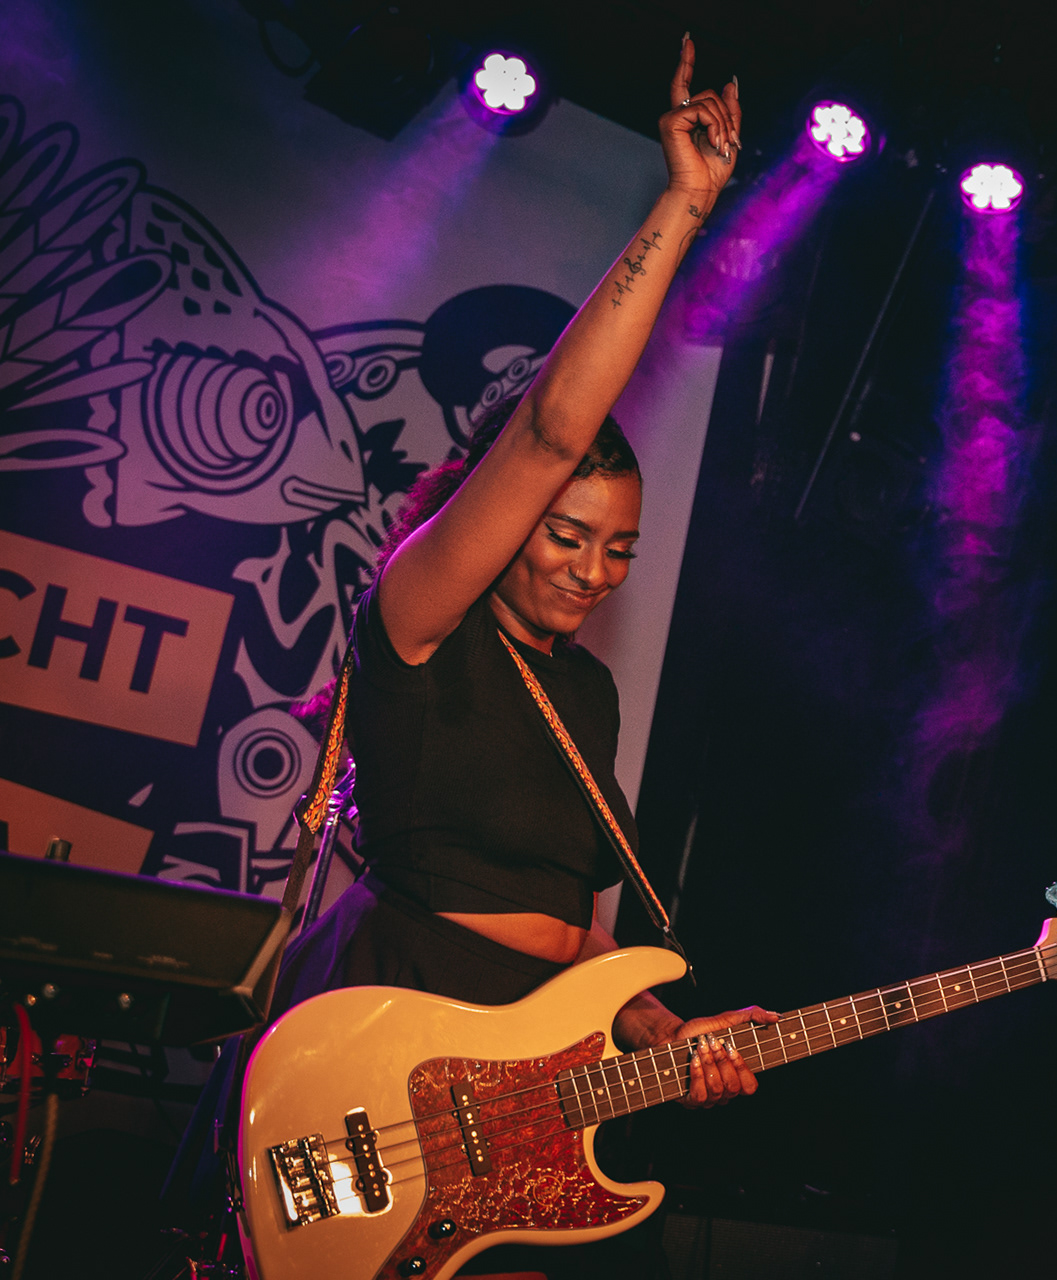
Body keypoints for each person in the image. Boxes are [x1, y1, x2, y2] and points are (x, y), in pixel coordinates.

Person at [167, 37, 767, 1280]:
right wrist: (683, 205)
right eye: (565, 534)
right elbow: (550, 428)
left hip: (524, 1080)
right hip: (393, 1044)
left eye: (619, 549)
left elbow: (572, 931)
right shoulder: (420, 620)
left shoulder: (587, 691)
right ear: (502, 514)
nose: (592, 571)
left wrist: (665, 1028)